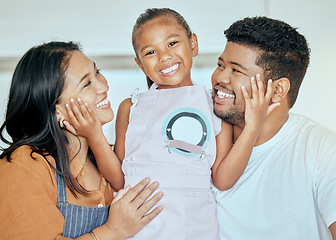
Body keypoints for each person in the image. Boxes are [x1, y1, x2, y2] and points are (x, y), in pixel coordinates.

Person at [64, 8, 278, 240]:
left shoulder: (214, 106)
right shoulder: (131, 107)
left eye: (172, 43)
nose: (164, 57)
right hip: (140, 224)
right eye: (151, 52)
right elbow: (119, 179)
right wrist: (95, 135)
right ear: (140, 63)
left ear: (193, 44)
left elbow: (222, 179)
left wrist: (252, 126)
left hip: (195, 225)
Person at [0, 41, 164, 240]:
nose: (104, 85)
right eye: (86, 83)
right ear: (56, 110)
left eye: (97, 72)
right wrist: (113, 231)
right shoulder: (24, 166)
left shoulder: (106, 160)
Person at [211, 16, 336, 239]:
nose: (219, 77)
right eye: (220, 65)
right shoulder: (200, 140)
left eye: (236, 70)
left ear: (278, 90)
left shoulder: (323, 151)